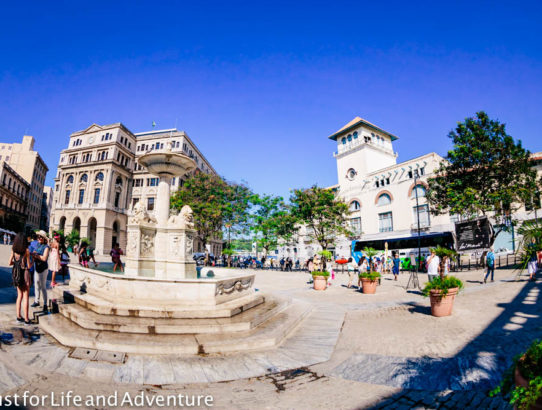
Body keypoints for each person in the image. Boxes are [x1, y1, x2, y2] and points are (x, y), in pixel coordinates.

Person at [9, 233, 33, 324]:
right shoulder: (26, 250)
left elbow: (9, 263)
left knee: (19, 296)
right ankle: (26, 319)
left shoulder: (13, 250)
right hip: (25, 274)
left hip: (17, 274)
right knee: (26, 296)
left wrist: (16, 264)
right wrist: (33, 260)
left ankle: (18, 316)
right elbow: (29, 266)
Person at [31, 230, 50, 312]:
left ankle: (45, 303)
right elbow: (36, 255)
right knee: (36, 285)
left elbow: (44, 258)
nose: (39, 238)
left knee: (43, 287)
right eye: (38, 236)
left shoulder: (46, 247)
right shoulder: (38, 245)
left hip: (43, 269)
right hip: (37, 268)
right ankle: (36, 301)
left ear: (44, 238)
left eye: (40, 237)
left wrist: (36, 255)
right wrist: (34, 255)